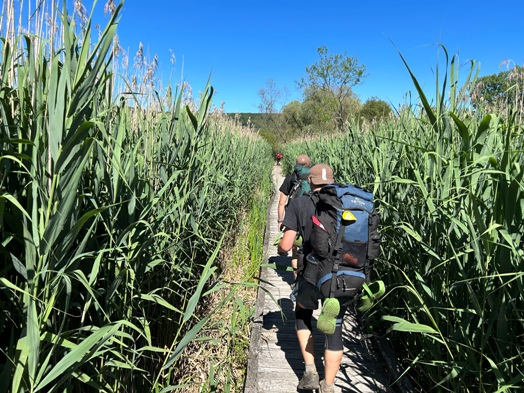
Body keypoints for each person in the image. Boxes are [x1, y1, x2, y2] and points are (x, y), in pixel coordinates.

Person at [277, 164, 348, 393]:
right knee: (335, 327)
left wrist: (280, 249)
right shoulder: (345, 202)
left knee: (303, 314)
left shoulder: (300, 203)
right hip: (340, 275)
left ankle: (309, 372)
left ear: (311, 181)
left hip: (311, 272)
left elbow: (287, 245)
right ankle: (328, 385)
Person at [277, 154, 312, 274]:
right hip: (312, 217)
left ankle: (296, 280)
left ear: (296, 165)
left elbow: (282, 202)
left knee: (295, 251)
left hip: (295, 217)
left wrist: (280, 221)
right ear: (309, 164)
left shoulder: (291, 178)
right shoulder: (314, 177)